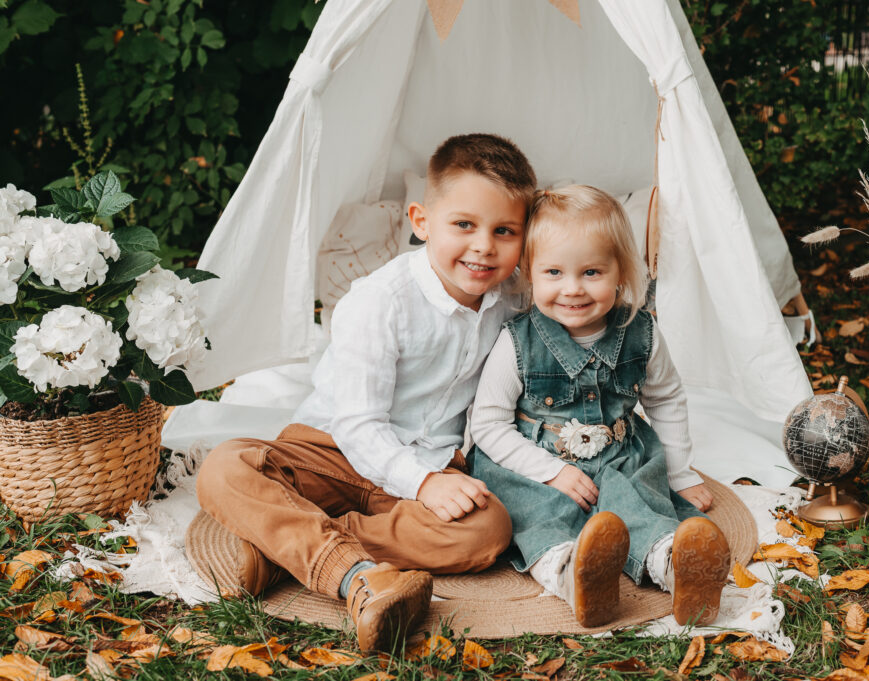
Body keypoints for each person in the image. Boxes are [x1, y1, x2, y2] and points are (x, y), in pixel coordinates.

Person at [195, 133, 536, 651]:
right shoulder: (381, 300)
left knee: (488, 529)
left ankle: (286, 545)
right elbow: (358, 424)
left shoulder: (514, 300)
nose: (484, 246)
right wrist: (423, 484)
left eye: (504, 231)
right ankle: (355, 575)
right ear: (421, 221)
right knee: (225, 466)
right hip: (330, 449)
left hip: (430, 460)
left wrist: (429, 480)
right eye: (464, 225)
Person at [469, 185, 730, 628]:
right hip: (534, 466)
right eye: (554, 272)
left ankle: (674, 566)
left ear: (620, 272)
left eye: (591, 272)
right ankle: (575, 574)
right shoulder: (517, 342)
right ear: (530, 273)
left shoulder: (641, 332)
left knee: (636, 502)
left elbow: (665, 398)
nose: (572, 289)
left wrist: (681, 474)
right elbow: (489, 425)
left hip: (618, 456)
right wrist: (550, 471)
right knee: (537, 516)